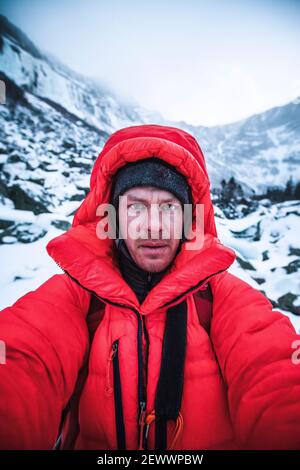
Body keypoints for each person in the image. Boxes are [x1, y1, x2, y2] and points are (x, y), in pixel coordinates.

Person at [0, 124, 299, 450]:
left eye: (169, 207)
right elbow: (21, 357)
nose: (153, 225)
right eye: (136, 207)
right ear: (112, 217)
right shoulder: (79, 298)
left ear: (189, 219)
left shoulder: (221, 298)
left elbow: (276, 370)